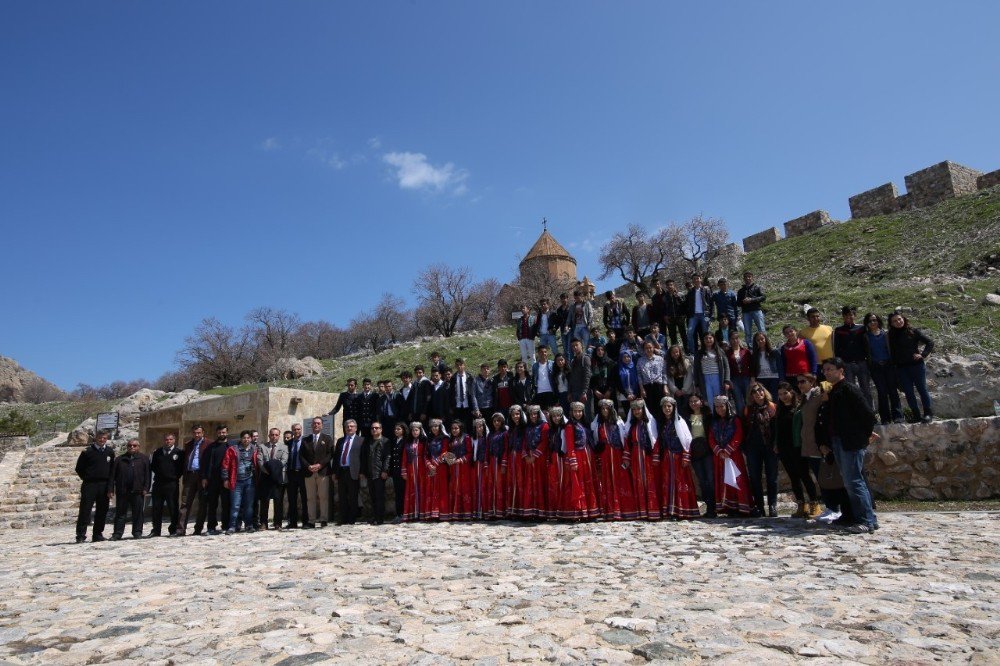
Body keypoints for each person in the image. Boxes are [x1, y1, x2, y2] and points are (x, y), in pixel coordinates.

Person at [823, 357, 879, 533]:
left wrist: (863, 436)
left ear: (841, 371)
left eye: (830, 369)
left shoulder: (849, 389)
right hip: (839, 440)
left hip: (850, 441)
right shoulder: (834, 391)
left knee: (854, 482)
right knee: (850, 481)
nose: (826, 372)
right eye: (825, 370)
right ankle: (865, 518)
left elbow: (868, 415)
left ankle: (866, 521)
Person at [773, 382, 819, 518]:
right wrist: (776, 443)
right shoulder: (779, 409)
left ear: (792, 392)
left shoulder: (799, 408)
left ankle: (814, 504)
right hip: (784, 448)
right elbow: (777, 428)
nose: (783, 397)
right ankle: (801, 505)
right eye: (780, 394)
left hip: (798, 447)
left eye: (785, 393)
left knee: (804, 475)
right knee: (793, 477)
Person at [708, 396, 752, 516]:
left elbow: (738, 435)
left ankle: (740, 506)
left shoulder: (735, 420)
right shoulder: (714, 422)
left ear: (727, 406)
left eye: (721, 406)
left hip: (733, 455)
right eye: (716, 407)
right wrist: (718, 450)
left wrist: (728, 450)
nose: (719, 409)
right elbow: (711, 437)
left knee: (737, 479)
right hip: (720, 456)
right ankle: (728, 507)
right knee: (723, 480)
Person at [888, 312, 935, 423]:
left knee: (922, 389)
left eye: (899, 319)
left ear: (903, 319)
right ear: (891, 324)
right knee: (909, 392)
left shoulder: (913, 331)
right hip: (901, 368)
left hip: (916, 365)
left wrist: (923, 355)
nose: (898, 322)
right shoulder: (890, 335)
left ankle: (928, 414)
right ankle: (916, 415)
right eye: (894, 321)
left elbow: (930, 342)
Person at [591, 399, 634, 520]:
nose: (605, 411)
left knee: (621, 480)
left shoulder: (619, 422)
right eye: (602, 409)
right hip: (605, 456)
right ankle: (609, 510)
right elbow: (595, 441)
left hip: (617, 455)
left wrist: (625, 456)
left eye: (607, 408)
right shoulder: (597, 424)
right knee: (606, 481)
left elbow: (624, 439)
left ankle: (623, 510)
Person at [657, 396, 698, 520]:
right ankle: (670, 510)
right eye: (664, 406)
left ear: (673, 407)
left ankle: (681, 510)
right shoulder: (662, 423)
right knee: (668, 483)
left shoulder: (680, 421)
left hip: (678, 457)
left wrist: (686, 456)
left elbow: (687, 440)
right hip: (667, 458)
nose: (667, 408)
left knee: (680, 482)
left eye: (669, 406)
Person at [742, 382, 779, 517]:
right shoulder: (747, 410)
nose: (758, 393)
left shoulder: (773, 407)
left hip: (770, 447)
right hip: (753, 447)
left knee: (772, 477)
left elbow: (778, 429)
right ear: (751, 395)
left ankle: (772, 505)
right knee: (755, 478)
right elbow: (744, 430)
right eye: (755, 392)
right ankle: (759, 506)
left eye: (760, 390)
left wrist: (776, 444)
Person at [74, 429, 115, 543]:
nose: (102, 440)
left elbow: (112, 471)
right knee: (85, 510)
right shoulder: (87, 451)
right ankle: (81, 535)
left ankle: (97, 534)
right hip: (90, 485)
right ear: (96, 438)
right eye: (100, 438)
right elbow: (79, 468)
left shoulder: (109, 451)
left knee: (102, 510)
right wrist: (87, 477)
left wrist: (110, 487)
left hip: (104, 485)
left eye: (104, 438)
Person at [547, 406, 587, 521]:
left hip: (564, 459)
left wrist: (569, 459)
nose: (556, 418)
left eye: (558, 416)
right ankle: (559, 511)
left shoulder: (565, 428)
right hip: (554, 460)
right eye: (553, 416)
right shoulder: (551, 430)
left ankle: (570, 511)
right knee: (556, 485)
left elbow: (566, 445)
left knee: (567, 485)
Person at [863, 313, 903, 424]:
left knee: (893, 390)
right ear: (867, 323)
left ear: (878, 321)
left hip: (888, 365)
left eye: (874, 320)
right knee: (881, 392)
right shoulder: (865, 336)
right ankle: (885, 418)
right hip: (875, 367)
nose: (872, 322)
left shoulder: (886, 334)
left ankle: (898, 416)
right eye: (870, 321)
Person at [624, 400, 660, 520]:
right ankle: (641, 511)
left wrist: (655, 456)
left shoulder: (650, 422)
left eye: (638, 409)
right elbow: (627, 442)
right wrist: (627, 457)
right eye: (634, 410)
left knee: (650, 482)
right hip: (635, 456)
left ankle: (652, 510)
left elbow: (655, 439)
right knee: (638, 482)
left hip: (647, 456)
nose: (636, 412)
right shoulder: (631, 425)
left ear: (643, 410)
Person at [682, 394, 715, 518]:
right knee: (702, 481)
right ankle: (708, 505)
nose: (693, 403)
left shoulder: (708, 416)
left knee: (710, 480)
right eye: (691, 401)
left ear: (701, 401)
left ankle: (713, 507)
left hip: (707, 451)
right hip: (695, 452)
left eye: (695, 401)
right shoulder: (686, 418)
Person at [110, 439, 151, 540]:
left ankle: (137, 532)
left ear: (138, 447)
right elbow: (112, 476)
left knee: (138, 513)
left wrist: (146, 488)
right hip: (122, 491)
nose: (132, 447)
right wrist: (110, 489)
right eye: (130, 445)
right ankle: (117, 533)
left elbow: (148, 475)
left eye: (134, 445)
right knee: (120, 513)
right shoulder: (120, 459)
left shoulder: (144, 459)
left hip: (138, 491)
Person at [834, 306, 873, 409]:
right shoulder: (838, 330)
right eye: (846, 315)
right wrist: (839, 365)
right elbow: (837, 349)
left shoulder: (862, 328)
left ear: (855, 315)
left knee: (866, 390)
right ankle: (855, 414)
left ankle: (870, 413)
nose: (849, 317)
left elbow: (867, 346)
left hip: (861, 363)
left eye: (851, 315)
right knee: (850, 391)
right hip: (847, 365)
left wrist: (869, 361)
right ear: (843, 317)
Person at [222, 430, 259, 535]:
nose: (246, 440)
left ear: (251, 439)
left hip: (250, 481)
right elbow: (225, 465)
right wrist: (225, 479)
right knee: (235, 505)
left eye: (248, 438)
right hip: (236, 481)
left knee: (249, 505)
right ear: (241, 439)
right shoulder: (233, 449)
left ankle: (249, 525)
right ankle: (232, 526)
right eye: (244, 438)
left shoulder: (255, 449)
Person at [332, 419, 366, 526]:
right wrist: (334, 472)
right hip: (342, 471)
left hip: (353, 471)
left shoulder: (361, 440)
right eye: (347, 426)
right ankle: (343, 518)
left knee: (353, 496)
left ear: (356, 428)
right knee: (342, 496)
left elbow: (363, 457)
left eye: (351, 426)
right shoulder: (340, 441)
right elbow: (336, 456)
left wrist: (362, 472)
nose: (349, 428)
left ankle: (352, 518)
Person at [300, 416, 333, 528]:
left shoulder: (327, 438)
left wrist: (320, 465)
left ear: (322, 425)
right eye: (314, 423)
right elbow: (301, 456)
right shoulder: (305, 440)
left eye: (318, 423)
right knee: (310, 498)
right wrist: (308, 466)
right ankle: (311, 521)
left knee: (323, 497)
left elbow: (330, 454)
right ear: (311, 425)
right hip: (309, 472)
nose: (316, 425)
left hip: (322, 472)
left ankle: (323, 519)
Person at [148, 433, 184, 537]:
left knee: (172, 507)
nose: (168, 441)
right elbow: (153, 466)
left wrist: (173, 476)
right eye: (166, 439)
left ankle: (173, 528)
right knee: (156, 507)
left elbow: (181, 468)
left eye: (170, 439)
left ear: (174, 440)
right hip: (158, 483)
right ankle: (156, 529)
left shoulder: (179, 452)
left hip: (172, 484)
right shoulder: (157, 452)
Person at [177, 424, 210, 537]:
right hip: (190, 476)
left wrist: (206, 477)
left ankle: (198, 529)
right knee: (185, 503)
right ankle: (181, 529)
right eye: (195, 433)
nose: (197, 435)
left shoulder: (208, 444)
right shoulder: (188, 444)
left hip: (202, 477)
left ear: (203, 433)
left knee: (202, 503)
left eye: (199, 433)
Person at [202, 425, 231, 535]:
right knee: (212, 504)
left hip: (226, 480)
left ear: (227, 433)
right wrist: (204, 477)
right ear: (217, 433)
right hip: (212, 480)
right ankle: (211, 526)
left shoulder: (231, 447)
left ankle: (226, 525)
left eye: (223, 432)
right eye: (219, 432)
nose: (221, 434)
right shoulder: (211, 447)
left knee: (226, 504)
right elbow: (205, 463)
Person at [257, 427, 288, 530]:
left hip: (278, 478)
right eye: (272, 435)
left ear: (279, 436)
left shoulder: (284, 447)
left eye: (276, 435)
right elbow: (260, 462)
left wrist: (274, 470)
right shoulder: (262, 447)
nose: (274, 437)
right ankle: (263, 523)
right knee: (264, 501)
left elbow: (283, 461)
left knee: (278, 501)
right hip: (265, 477)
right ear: (269, 436)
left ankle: (278, 523)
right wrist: (268, 471)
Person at [522, 405, 549, 520]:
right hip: (529, 459)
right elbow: (523, 443)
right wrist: (526, 456)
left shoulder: (544, 426)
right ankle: (530, 511)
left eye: (535, 414)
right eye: (531, 414)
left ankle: (541, 512)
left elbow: (544, 442)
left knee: (540, 483)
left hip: (540, 459)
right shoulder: (527, 428)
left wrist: (535, 455)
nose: (533, 416)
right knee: (529, 484)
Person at [445, 421, 475, 521]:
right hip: (453, 467)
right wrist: (450, 460)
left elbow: (470, 452)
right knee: (454, 488)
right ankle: (456, 513)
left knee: (464, 487)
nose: (454, 430)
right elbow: (448, 452)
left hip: (464, 467)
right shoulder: (451, 439)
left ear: (460, 428)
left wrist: (461, 460)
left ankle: (466, 513)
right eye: (453, 428)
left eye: (456, 428)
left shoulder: (466, 438)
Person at [399, 422, 428, 522]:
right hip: (411, 468)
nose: (415, 432)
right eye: (413, 430)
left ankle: (422, 513)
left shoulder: (424, 442)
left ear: (420, 431)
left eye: (417, 430)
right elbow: (404, 458)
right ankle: (412, 514)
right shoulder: (408, 443)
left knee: (422, 489)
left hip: (421, 469)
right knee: (411, 490)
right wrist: (404, 471)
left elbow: (426, 456)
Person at [693, 332, 731, 407]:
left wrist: (727, 380)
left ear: (714, 339)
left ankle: (720, 417)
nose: (708, 340)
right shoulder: (699, 353)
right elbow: (696, 369)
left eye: (710, 338)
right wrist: (697, 384)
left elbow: (726, 366)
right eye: (706, 338)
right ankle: (713, 416)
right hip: (705, 379)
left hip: (717, 377)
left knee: (719, 399)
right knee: (709, 400)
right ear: (703, 340)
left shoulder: (720, 351)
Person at [423, 419, 451, 520]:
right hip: (431, 468)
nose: (434, 428)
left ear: (440, 427)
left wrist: (436, 462)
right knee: (431, 488)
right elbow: (425, 454)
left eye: (436, 426)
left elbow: (445, 452)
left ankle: (442, 513)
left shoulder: (445, 439)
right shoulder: (429, 439)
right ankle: (432, 513)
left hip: (441, 467)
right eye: (432, 426)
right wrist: (429, 464)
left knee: (441, 488)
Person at [483, 413, 509, 519]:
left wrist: (503, 463)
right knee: (492, 485)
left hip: (500, 462)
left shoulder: (505, 433)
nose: (496, 423)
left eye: (498, 421)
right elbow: (487, 449)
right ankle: (492, 511)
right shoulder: (490, 435)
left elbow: (506, 448)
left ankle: (501, 511)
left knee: (500, 485)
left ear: (502, 422)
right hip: (492, 462)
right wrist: (486, 463)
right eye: (494, 421)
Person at [366, 422, 392, 525]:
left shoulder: (386, 441)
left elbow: (388, 457)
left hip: (380, 473)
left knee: (379, 496)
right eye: (372, 428)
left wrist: (385, 470)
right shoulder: (369, 441)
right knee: (372, 496)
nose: (374, 430)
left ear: (381, 429)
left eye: (376, 428)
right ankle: (374, 516)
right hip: (370, 472)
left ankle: (380, 518)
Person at [285, 423, 308, 529]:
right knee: (292, 499)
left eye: (298, 429)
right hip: (291, 473)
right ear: (292, 431)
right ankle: (293, 522)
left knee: (305, 498)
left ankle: (305, 522)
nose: (296, 431)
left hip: (303, 473)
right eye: (294, 429)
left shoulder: (306, 441)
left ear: (301, 430)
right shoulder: (288, 443)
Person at [506, 405, 528, 518]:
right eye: (513, 414)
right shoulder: (510, 429)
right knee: (513, 482)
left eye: (518, 414)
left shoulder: (525, 428)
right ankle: (514, 510)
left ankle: (524, 509)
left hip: (521, 457)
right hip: (512, 458)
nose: (516, 416)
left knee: (521, 482)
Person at [685, 274, 714, 353]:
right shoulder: (691, 291)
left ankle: (707, 350)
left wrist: (711, 315)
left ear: (700, 279)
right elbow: (687, 304)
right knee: (690, 333)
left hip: (704, 315)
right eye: (694, 279)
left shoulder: (706, 289)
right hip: (693, 315)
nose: (696, 280)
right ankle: (693, 352)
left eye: (697, 278)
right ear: (692, 281)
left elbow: (711, 303)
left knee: (706, 333)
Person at [637, 340, 668, 410]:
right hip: (647, 387)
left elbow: (664, 373)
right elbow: (639, 375)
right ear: (644, 349)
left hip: (658, 386)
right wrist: (642, 389)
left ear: (653, 348)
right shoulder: (640, 361)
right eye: (646, 348)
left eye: (650, 347)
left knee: (661, 407)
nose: (648, 349)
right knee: (650, 408)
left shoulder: (660, 359)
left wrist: (665, 386)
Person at [469, 418, 490, 520]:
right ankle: (476, 512)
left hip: (484, 465)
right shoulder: (473, 439)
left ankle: (485, 512)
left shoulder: (487, 438)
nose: (479, 428)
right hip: (475, 465)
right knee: (475, 487)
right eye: (477, 427)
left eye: (481, 426)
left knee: (483, 487)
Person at [727, 332, 752, 415]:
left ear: (739, 339)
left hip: (746, 378)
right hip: (734, 379)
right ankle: (741, 421)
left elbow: (751, 365)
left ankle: (750, 418)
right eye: (732, 339)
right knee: (738, 401)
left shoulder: (745, 351)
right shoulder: (727, 353)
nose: (735, 341)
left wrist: (752, 377)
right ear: (729, 340)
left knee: (748, 399)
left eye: (736, 338)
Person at [737, 271, 767, 338]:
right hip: (745, 312)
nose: (747, 278)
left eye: (749, 277)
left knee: (761, 330)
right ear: (743, 279)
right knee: (747, 331)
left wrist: (751, 300)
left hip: (756, 310)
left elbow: (763, 297)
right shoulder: (741, 291)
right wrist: (743, 302)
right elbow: (738, 303)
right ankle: (750, 347)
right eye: (746, 277)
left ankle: (765, 346)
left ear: (752, 278)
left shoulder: (757, 287)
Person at [661, 279, 687, 352]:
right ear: (666, 287)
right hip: (670, 319)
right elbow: (663, 308)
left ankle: (686, 350)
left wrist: (684, 316)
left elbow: (684, 305)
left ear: (674, 285)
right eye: (668, 285)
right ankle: (675, 352)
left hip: (680, 318)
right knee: (673, 337)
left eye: (671, 285)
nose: (670, 286)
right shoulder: (665, 297)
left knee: (683, 335)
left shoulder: (680, 294)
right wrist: (665, 316)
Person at [450, 358, 476, 432]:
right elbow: (451, 393)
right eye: (457, 365)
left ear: (464, 365)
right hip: (457, 406)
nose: (459, 367)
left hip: (467, 405)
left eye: (461, 365)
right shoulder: (453, 378)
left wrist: (474, 407)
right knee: (459, 425)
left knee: (469, 425)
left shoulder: (469, 377)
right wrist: (452, 406)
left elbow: (472, 393)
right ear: (455, 366)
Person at [568, 339, 592, 418]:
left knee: (586, 415)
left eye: (576, 345)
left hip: (583, 392)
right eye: (573, 346)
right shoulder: (573, 360)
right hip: (574, 392)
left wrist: (584, 392)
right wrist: (570, 392)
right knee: (576, 416)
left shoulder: (585, 358)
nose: (575, 347)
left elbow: (587, 376)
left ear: (581, 346)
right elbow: (571, 378)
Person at [568, 289, 594, 358]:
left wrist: (589, 323)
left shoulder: (586, 303)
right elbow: (570, 316)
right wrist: (567, 325)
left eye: (577, 297)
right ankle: (581, 358)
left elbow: (591, 314)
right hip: (576, 327)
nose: (576, 299)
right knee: (577, 344)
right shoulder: (573, 306)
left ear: (581, 296)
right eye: (575, 298)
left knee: (587, 344)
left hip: (585, 327)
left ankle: (590, 358)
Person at [389, 423, 407, 522]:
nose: (396, 431)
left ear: (403, 430)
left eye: (399, 429)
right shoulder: (394, 441)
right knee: (398, 493)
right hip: (396, 471)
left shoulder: (405, 441)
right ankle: (399, 513)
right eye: (395, 429)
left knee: (404, 493)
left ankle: (405, 513)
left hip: (403, 471)